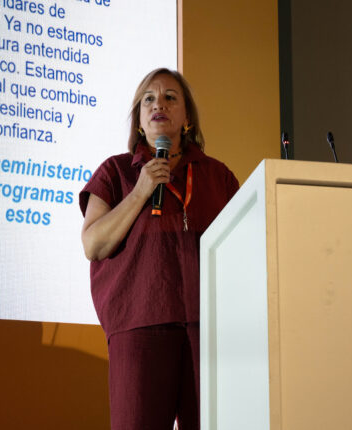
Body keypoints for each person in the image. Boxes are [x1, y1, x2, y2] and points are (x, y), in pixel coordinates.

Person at [79, 68, 239, 429]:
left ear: (187, 117)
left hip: (210, 330)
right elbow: (93, 244)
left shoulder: (218, 176)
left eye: (170, 97)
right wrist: (140, 191)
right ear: (139, 121)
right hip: (140, 326)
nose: (158, 105)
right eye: (148, 99)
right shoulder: (116, 172)